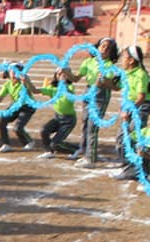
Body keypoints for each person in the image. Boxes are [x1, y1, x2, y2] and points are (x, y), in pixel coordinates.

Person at [64, 38, 119, 168]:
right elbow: (76, 78)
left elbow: (113, 85)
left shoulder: (110, 65)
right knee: (85, 122)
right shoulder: (88, 62)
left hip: (101, 94)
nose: (104, 49)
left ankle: (91, 159)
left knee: (92, 126)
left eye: (108, 48)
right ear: (97, 47)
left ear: (111, 52)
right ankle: (83, 150)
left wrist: (104, 81)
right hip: (88, 92)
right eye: (102, 46)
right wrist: (66, 72)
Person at [23, 68, 78, 159]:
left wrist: (64, 83)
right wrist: (26, 81)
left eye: (63, 74)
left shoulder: (70, 86)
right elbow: (35, 90)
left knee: (55, 143)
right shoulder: (52, 89)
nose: (61, 76)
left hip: (69, 120)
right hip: (58, 118)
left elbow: (70, 93)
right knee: (44, 130)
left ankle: (76, 149)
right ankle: (49, 151)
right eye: (59, 74)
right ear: (55, 76)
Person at [113, 46, 150, 181]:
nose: (121, 59)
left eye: (124, 57)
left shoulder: (140, 74)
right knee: (121, 139)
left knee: (133, 138)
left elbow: (141, 96)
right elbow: (117, 87)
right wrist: (105, 82)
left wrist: (129, 110)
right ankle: (130, 166)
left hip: (140, 107)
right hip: (129, 107)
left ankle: (136, 170)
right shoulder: (126, 73)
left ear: (131, 60)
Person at [0, 64, 36, 153]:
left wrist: (25, 83)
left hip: (27, 106)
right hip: (15, 105)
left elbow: (30, 92)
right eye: (13, 71)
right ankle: (6, 144)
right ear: (9, 73)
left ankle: (29, 142)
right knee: (2, 120)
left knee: (17, 128)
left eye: (17, 72)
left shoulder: (24, 82)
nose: (15, 74)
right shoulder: (7, 84)